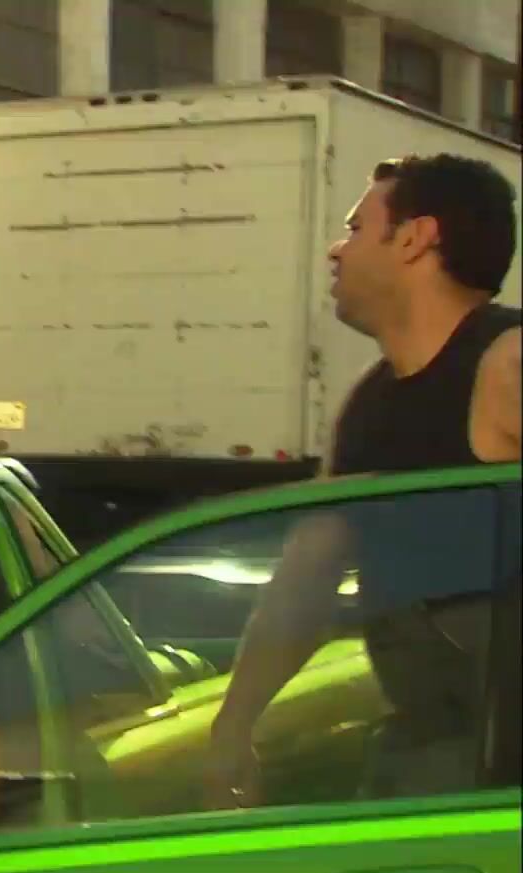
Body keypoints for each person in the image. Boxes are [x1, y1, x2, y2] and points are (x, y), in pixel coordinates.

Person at [208, 154, 521, 806]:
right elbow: (305, 581)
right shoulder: (369, 404)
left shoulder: (507, 363)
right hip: (434, 758)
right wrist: (234, 724)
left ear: (415, 238)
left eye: (355, 229)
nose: (336, 249)